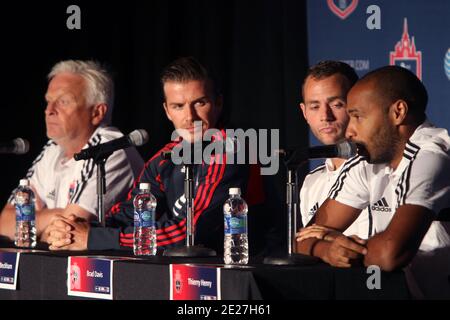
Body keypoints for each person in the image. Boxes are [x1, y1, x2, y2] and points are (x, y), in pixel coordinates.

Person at [45, 57, 277, 255]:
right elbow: (129, 213)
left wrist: (95, 239)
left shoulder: (230, 149)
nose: (190, 117)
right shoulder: (165, 157)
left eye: (200, 103)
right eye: (178, 106)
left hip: (238, 273)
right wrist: (76, 229)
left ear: (218, 103)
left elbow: (191, 231)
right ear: (167, 111)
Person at [296, 65, 450, 299]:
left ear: (398, 112)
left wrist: (340, 242)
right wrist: (328, 249)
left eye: (358, 116)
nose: (350, 130)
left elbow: (390, 254)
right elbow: (302, 240)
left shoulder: (433, 156)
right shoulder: (369, 160)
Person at [0, 60, 144, 242]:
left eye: (63, 101)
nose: (49, 110)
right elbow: (5, 223)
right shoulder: (53, 148)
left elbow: (68, 232)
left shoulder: (110, 148)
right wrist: (55, 217)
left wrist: (31, 224)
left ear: (97, 113)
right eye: (48, 101)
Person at [297, 61, 370, 239]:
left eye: (337, 104)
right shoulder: (311, 183)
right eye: (314, 107)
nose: (325, 116)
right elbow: (306, 243)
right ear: (304, 112)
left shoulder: (383, 169)